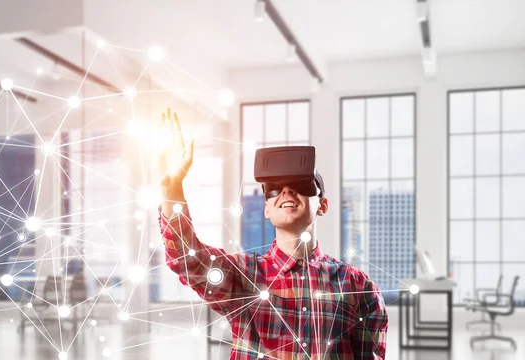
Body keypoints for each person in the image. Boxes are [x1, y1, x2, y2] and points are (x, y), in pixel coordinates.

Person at [157, 109, 388, 359]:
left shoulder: (358, 287)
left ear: (322, 205)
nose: (287, 191)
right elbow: (187, 259)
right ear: (266, 208)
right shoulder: (244, 276)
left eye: (301, 184)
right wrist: (172, 187)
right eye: (274, 189)